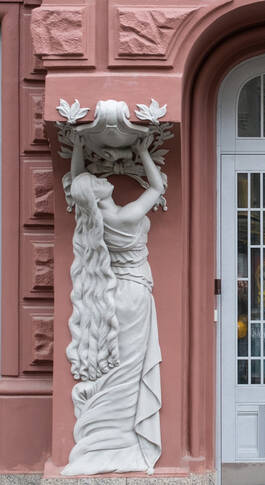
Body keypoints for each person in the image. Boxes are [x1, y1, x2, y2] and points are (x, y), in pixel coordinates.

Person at [61, 132, 164, 475]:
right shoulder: (126, 215)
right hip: (134, 296)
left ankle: (108, 433)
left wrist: (77, 149)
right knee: (130, 368)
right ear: (100, 193)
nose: (103, 178)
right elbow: (157, 188)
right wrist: (142, 152)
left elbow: (78, 182)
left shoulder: (94, 219)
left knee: (120, 366)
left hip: (114, 294)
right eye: (99, 180)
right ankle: (123, 439)